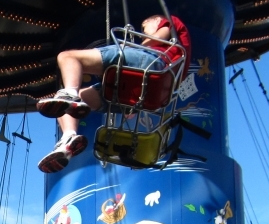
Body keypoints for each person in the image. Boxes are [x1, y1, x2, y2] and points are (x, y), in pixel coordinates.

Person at [35, 14, 191, 173]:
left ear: (156, 21)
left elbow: (157, 37)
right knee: (67, 102)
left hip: (150, 62)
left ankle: (70, 92)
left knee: (67, 57)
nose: (143, 31)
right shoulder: (177, 64)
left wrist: (137, 44)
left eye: (144, 27)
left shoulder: (167, 21)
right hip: (148, 93)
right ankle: (68, 138)